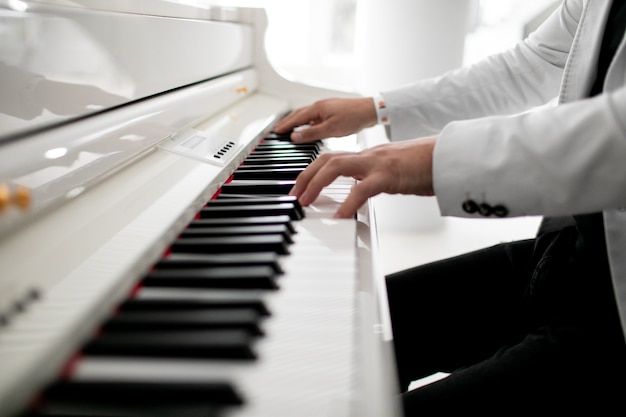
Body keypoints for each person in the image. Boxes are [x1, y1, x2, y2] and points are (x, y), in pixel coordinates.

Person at [273, 0, 626, 413]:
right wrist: (375, 108)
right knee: (341, 332)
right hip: (572, 253)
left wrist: (425, 163)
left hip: (613, 322)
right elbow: (535, 61)